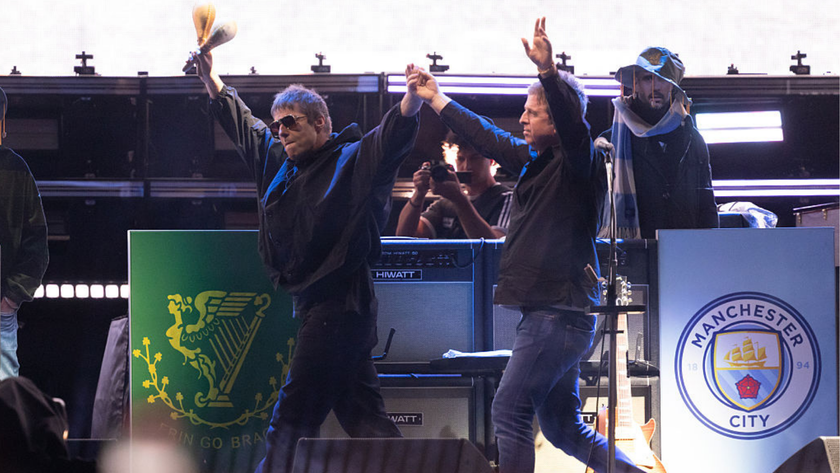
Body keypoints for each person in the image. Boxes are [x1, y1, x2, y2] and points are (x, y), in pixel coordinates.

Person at [410, 18, 646, 473]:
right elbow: (488, 137)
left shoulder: (581, 160)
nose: (521, 119)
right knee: (562, 428)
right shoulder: (540, 162)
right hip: (553, 314)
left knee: (508, 412)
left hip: (556, 316)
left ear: (557, 122)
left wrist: (548, 73)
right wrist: (436, 98)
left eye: (532, 112)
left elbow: (573, 125)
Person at [192, 51, 423, 473]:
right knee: (366, 422)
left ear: (320, 122)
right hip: (321, 309)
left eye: (290, 122)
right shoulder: (281, 164)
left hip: (341, 307)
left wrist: (411, 101)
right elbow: (246, 127)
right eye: (277, 124)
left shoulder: (350, 159)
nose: (280, 131)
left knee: (291, 419)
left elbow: (389, 141)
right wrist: (211, 79)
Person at [595, 47, 718, 239]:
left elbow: (706, 204)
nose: (655, 87)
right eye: (647, 79)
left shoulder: (692, 139)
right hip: (633, 253)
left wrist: (710, 250)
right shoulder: (610, 141)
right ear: (635, 84)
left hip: (682, 249)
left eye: (662, 79)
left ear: (672, 86)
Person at [0, 86, 49, 381]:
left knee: (6, 399)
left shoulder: (15, 169)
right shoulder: (15, 169)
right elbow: (37, 242)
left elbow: (36, 242)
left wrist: (10, 299)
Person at [395, 130, 512, 239]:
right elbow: (406, 237)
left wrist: (459, 199)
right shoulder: (447, 203)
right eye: (461, 159)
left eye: (475, 158)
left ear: (492, 161)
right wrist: (419, 194)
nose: (467, 166)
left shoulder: (507, 199)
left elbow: (494, 248)